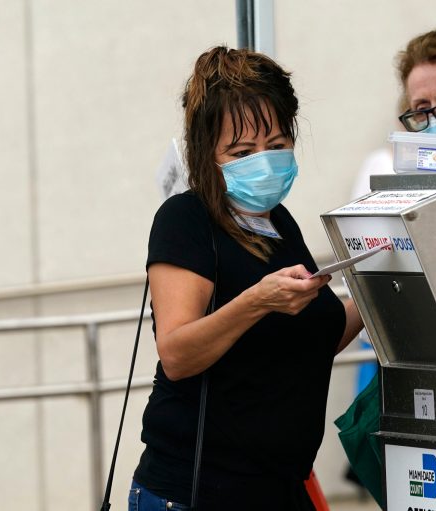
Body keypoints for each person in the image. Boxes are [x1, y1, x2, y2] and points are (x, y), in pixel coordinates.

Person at [129, 46, 363, 510]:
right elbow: (176, 354)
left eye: (276, 145)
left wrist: (383, 292)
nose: (264, 161)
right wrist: (257, 301)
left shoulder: (279, 222)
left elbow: (306, 343)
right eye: (242, 152)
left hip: (279, 487)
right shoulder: (185, 219)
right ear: (208, 155)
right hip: (197, 492)